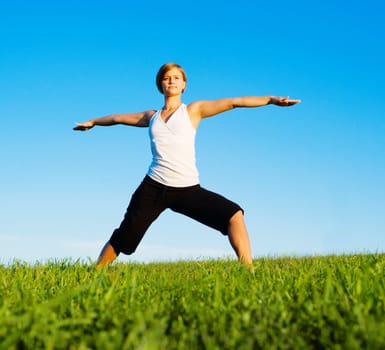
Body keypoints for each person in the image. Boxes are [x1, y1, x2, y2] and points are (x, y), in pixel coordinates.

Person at [74, 62, 300, 268]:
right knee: (126, 237)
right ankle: (95, 274)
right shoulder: (150, 117)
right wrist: (94, 122)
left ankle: (248, 271)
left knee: (234, 215)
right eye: (166, 77)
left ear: (184, 85)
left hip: (187, 189)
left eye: (176, 77)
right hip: (153, 187)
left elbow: (234, 102)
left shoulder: (194, 110)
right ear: (160, 85)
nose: (171, 80)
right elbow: (116, 118)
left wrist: (271, 100)